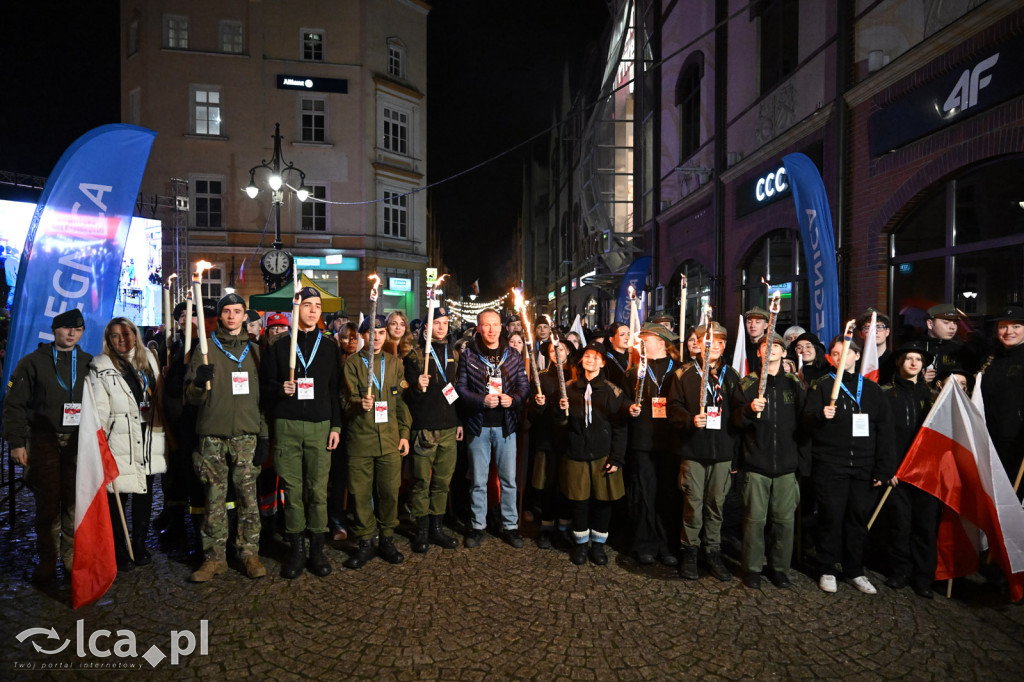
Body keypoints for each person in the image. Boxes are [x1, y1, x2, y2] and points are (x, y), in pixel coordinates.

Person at [184, 293, 269, 582]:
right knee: (214, 498)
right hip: (213, 435)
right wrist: (198, 381)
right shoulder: (205, 349)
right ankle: (213, 558)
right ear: (219, 316)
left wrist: (264, 436)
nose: (232, 316)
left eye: (237, 311)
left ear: (246, 316)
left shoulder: (257, 351)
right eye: (227, 312)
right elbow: (191, 399)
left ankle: (248, 554)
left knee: (248, 498)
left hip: (246, 435)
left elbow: (264, 399)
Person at [4, 309, 93, 583]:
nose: (71, 334)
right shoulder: (31, 363)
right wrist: (17, 443)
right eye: (66, 328)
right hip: (44, 441)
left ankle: (69, 556)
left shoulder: (90, 362)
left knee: (73, 503)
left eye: (77, 330)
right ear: (54, 330)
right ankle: (47, 559)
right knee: (47, 504)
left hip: (79, 442)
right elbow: (14, 405)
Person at [803, 335, 894, 595]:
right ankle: (827, 568)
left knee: (857, 519)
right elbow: (806, 421)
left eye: (846, 353)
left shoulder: (873, 390)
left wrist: (883, 469)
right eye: (835, 353)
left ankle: (854, 570)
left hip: (864, 467)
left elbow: (885, 432)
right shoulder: (822, 386)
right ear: (830, 358)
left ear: (856, 356)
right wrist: (820, 415)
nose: (841, 357)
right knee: (831, 517)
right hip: (831, 464)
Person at [262, 287, 342, 578]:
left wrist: (335, 425)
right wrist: (278, 388)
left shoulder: (330, 347)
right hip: (288, 424)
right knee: (293, 491)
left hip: (320, 425)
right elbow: (265, 387)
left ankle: (317, 550)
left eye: (317, 306)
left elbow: (334, 390)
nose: (312, 310)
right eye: (307, 305)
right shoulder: (280, 346)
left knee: (318, 490)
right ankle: (296, 550)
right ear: (297, 309)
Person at [88, 317, 165, 572]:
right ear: (108, 340)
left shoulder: (149, 360)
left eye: (127, 333)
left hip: (147, 436)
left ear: (136, 334)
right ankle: (120, 548)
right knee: (117, 496)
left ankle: (140, 543)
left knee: (144, 492)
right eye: (115, 335)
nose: (123, 339)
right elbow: (99, 408)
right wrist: (98, 441)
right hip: (118, 438)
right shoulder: (100, 366)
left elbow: (158, 396)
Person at [667, 320, 741, 582]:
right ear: (698, 345)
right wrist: (689, 419)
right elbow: (672, 408)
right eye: (710, 341)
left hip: (721, 451)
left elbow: (738, 414)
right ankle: (689, 551)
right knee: (693, 503)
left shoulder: (730, 376)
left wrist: (752, 409)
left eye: (721, 342)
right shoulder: (682, 375)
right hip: (694, 450)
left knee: (716, 504)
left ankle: (712, 551)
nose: (717, 346)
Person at [734, 332, 807, 590]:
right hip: (757, 464)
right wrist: (748, 410)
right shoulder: (746, 384)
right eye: (767, 346)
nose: (772, 350)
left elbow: (804, 424)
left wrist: (800, 461)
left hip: (786, 467)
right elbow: (736, 423)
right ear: (759, 352)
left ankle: (779, 568)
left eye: (777, 346)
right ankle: (752, 568)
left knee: (784, 522)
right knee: (754, 520)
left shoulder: (794, 384)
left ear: (784, 353)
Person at [456, 308, 530, 548]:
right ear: (478, 328)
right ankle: (478, 526)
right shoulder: (469, 356)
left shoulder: (513, 355)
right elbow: (461, 388)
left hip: (506, 427)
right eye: (486, 325)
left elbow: (524, 386)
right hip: (478, 427)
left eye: (495, 324)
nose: (491, 329)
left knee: (508, 480)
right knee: (478, 480)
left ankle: (510, 526)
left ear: (502, 327)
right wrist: (481, 400)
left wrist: (514, 399)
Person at [342, 315, 411, 569]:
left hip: (390, 440)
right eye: (372, 332)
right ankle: (364, 542)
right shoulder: (351, 364)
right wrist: (360, 403)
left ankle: (387, 539)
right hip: (361, 439)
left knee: (389, 492)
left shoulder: (395, 364)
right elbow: (344, 402)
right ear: (363, 336)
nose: (378, 337)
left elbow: (401, 403)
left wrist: (404, 434)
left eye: (381, 332)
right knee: (360, 493)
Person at [557, 343, 628, 564]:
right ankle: (580, 545)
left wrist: (616, 457)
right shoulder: (567, 388)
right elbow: (560, 425)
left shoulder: (612, 390)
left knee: (603, 501)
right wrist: (560, 411)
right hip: (576, 453)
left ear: (603, 362)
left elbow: (620, 426)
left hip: (602, 455)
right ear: (581, 361)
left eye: (596, 357)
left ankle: (598, 546)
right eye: (587, 356)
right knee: (579, 501)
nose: (591, 360)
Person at [881, 340, 938, 599]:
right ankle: (900, 571)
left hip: (926, 473)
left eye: (918, 360)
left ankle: (923, 577)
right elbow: (881, 435)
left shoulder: (932, 397)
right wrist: (887, 469)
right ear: (899, 363)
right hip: (897, 472)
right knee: (899, 524)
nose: (913, 363)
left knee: (925, 526)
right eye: (908, 359)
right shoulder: (885, 394)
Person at [403, 306, 462, 553]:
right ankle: (422, 530)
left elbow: (455, 389)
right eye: (437, 323)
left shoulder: (453, 354)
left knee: (442, 481)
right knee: (421, 482)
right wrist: (417, 386)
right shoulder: (414, 357)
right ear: (426, 327)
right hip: (424, 429)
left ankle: (437, 528)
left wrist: (458, 421)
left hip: (448, 427)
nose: (442, 327)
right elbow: (407, 398)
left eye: (446, 323)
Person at [624, 323, 680, 567]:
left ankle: (667, 543)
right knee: (644, 494)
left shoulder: (679, 371)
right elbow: (624, 399)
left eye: (645, 338)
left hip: (671, 442)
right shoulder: (635, 371)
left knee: (668, 494)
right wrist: (629, 407)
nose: (640, 343)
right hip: (643, 441)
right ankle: (644, 543)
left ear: (661, 342)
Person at [529, 339, 572, 548]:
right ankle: (546, 527)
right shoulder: (541, 378)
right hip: (546, 439)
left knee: (565, 485)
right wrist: (539, 405)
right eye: (552, 350)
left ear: (567, 352)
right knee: (546, 484)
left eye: (560, 349)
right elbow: (533, 413)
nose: (556, 353)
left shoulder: (575, 376)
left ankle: (564, 527)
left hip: (568, 440)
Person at [979, 305, 1024, 498]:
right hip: (990, 439)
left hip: (1018, 441)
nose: (1009, 332)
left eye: (1016, 326)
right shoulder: (991, 357)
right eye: (1003, 326)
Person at [919, 304, 967, 383]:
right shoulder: (914, 349)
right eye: (946, 322)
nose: (952, 327)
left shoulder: (960, 350)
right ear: (930, 324)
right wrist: (918, 379)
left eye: (955, 323)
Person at [855, 309, 895, 385]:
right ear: (860, 333)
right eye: (868, 328)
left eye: (879, 327)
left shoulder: (896, 361)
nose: (874, 331)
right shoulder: (855, 360)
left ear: (887, 331)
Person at [603, 322, 631, 389]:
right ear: (611, 339)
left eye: (629, 334)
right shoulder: (606, 359)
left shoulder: (631, 357)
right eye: (622, 335)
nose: (627, 338)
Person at [743, 306, 770, 375]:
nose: (752, 325)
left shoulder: (770, 348)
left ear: (766, 325)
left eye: (757, 322)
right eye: (749, 322)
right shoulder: (741, 347)